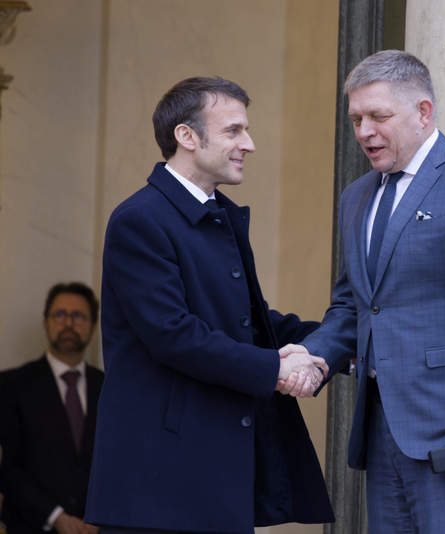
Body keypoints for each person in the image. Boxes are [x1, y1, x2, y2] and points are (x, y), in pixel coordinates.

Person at [281, 50, 445, 533]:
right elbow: (354, 304)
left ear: (423, 112)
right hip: (383, 429)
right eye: (356, 118)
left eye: (378, 116)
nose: (364, 132)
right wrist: (315, 355)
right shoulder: (357, 196)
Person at [83, 77, 333, 533]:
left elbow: (246, 321)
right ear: (187, 136)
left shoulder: (216, 212)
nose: (249, 144)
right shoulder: (139, 220)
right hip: (157, 489)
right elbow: (174, 334)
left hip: (211, 479)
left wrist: (333, 340)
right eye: (234, 131)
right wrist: (275, 368)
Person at [0, 282, 103, 534]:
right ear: (46, 322)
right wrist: (55, 516)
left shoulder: (109, 390)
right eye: (60, 314)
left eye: (78, 315)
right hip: (31, 526)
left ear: (93, 325)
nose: (68, 323)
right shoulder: (11, 385)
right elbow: (7, 467)